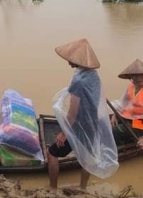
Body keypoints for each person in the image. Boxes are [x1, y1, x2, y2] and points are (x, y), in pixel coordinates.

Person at [48, 38, 118, 190]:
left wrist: (64, 133)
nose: (68, 62)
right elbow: (98, 97)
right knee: (88, 157)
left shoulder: (79, 81)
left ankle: (53, 188)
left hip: (79, 125)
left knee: (52, 153)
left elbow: (73, 111)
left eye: (71, 59)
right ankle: (82, 187)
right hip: (93, 122)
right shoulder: (93, 75)